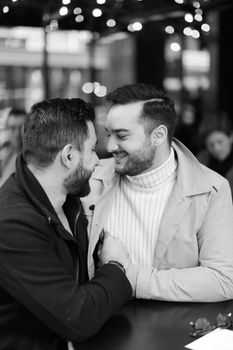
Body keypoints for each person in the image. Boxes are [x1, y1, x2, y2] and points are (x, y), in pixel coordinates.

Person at [0, 98, 136, 350]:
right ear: (69, 155)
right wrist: (116, 264)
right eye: (93, 149)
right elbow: (79, 317)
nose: (98, 161)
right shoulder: (12, 225)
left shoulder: (69, 202)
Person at [82, 83, 233, 302]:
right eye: (108, 134)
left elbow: (223, 279)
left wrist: (129, 279)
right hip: (102, 325)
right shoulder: (91, 179)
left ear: (158, 135)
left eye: (122, 136)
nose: (111, 146)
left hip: (174, 330)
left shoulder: (211, 189)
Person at [198, 112, 233, 194]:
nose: (216, 148)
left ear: (231, 137)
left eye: (220, 142)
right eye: (210, 144)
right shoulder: (200, 161)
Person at [0, 107, 26, 187]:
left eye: (21, 127)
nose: (17, 133)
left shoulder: (32, 159)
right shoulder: (8, 151)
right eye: (13, 128)